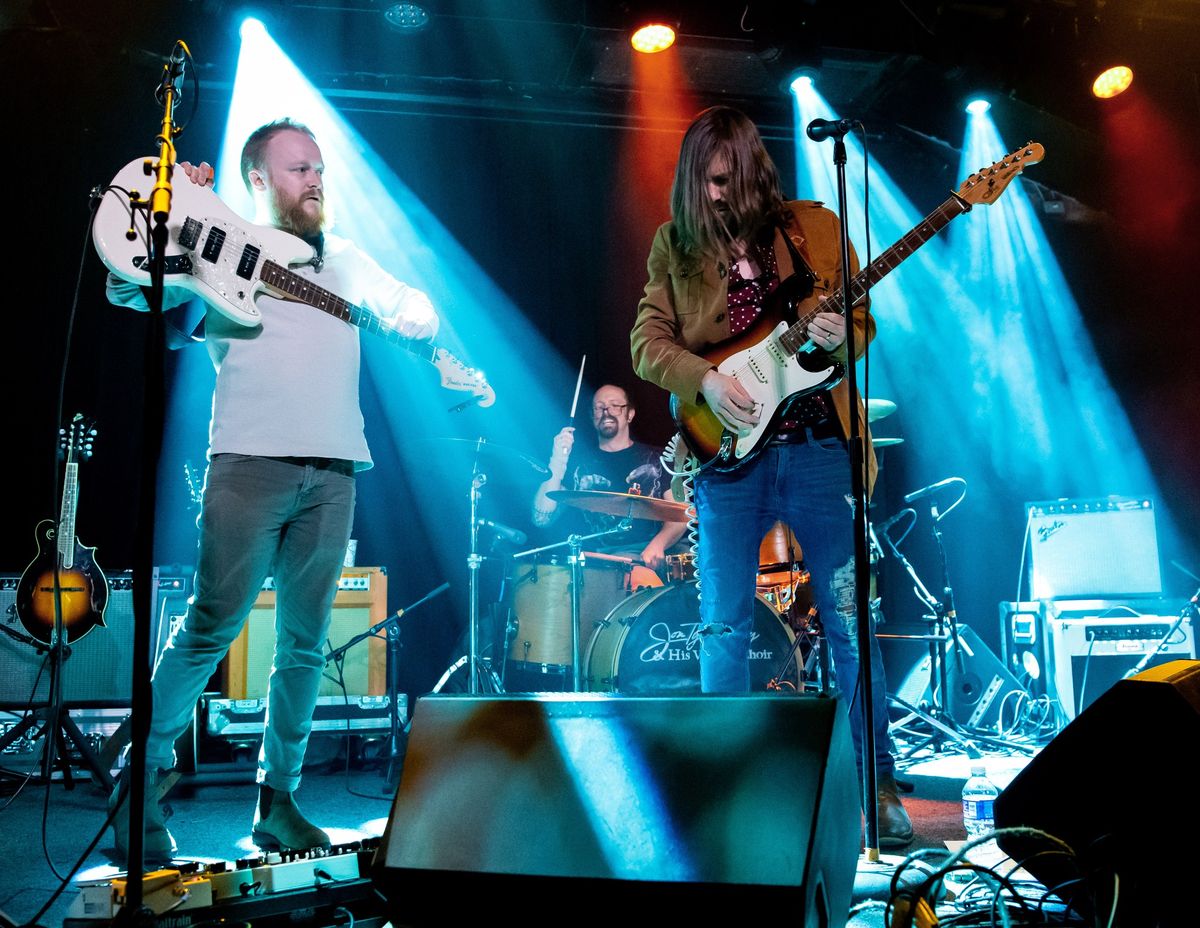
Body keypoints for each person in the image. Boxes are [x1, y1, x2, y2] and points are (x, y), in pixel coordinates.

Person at [106, 118, 438, 862]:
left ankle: (277, 802)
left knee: (305, 647)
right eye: (297, 169)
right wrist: (175, 222)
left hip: (335, 471)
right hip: (249, 463)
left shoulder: (345, 259)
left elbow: (416, 308)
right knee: (211, 627)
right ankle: (140, 785)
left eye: (319, 168)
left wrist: (412, 316)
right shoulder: (219, 248)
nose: (315, 180)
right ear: (258, 179)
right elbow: (131, 291)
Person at [630, 106, 912, 846]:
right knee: (722, 626)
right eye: (705, 183)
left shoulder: (812, 227)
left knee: (850, 625)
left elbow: (862, 324)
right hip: (725, 459)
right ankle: (721, 787)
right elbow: (646, 341)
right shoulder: (675, 244)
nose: (716, 196)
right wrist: (705, 379)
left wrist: (838, 335)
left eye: (727, 181)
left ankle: (877, 787)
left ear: (755, 171)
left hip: (820, 448)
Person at [531, 384, 685, 571]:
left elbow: (681, 516)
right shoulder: (578, 466)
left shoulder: (659, 458)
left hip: (649, 557)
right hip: (596, 564)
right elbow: (541, 519)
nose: (606, 411)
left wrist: (658, 544)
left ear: (630, 414)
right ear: (592, 416)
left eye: (615, 405)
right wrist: (557, 459)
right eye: (599, 407)